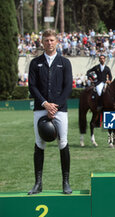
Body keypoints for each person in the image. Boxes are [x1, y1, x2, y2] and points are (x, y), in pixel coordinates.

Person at [28, 29, 73, 195]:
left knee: (63, 143)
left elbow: (68, 87)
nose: (49, 43)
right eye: (46, 40)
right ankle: (38, 183)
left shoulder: (65, 62)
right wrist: (45, 104)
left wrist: (55, 107)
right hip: (40, 109)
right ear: (42, 42)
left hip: (60, 111)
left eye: (52, 40)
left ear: (57, 42)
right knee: (39, 144)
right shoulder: (35, 63)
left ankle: (66, 183)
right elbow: (32, 86)